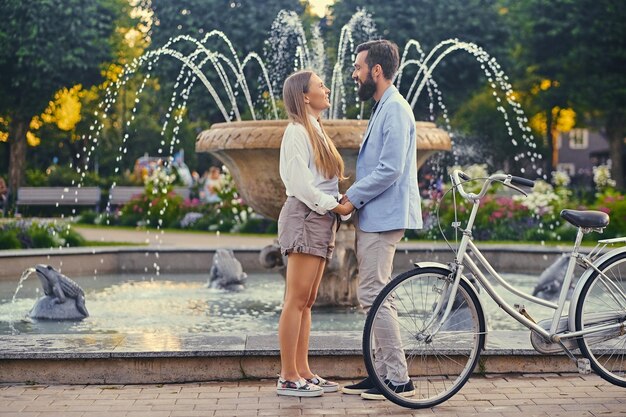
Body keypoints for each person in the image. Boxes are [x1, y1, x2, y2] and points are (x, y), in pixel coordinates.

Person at [340, 40, 422, 400]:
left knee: (375, 293)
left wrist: (352, 197)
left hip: (383, 217)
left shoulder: (396, 110)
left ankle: (397, 379)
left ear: (376, 70)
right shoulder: (383, 107)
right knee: (375, 293)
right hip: (376, 216)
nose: (354, 74)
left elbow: (391, 169)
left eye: (358, 67)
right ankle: (381, 373)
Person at [276, 69, 353, 397]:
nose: (326, 88)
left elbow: (320, 182)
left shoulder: (315, 129)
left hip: (320, 218)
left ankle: (303, 370)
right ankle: (288, 376)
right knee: (295, 300)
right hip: (307, 216)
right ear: (305, 96)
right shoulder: (296, 132)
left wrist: (338, 201)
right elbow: (300, 185)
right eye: (320, 85)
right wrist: (335, 206)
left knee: (307, 302)